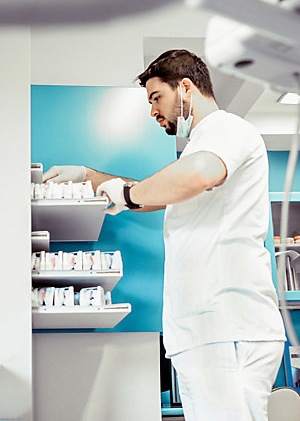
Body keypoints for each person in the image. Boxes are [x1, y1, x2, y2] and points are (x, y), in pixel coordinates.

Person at [43, 49, 286, 421]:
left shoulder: (225, 129)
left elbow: (196, 174)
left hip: (227, 325)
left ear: (185, 88)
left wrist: (125, 195)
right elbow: (157, 192)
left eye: (157, 97)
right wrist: (89, 176)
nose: (152, 111)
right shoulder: (201, 149)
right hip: (208, 329)